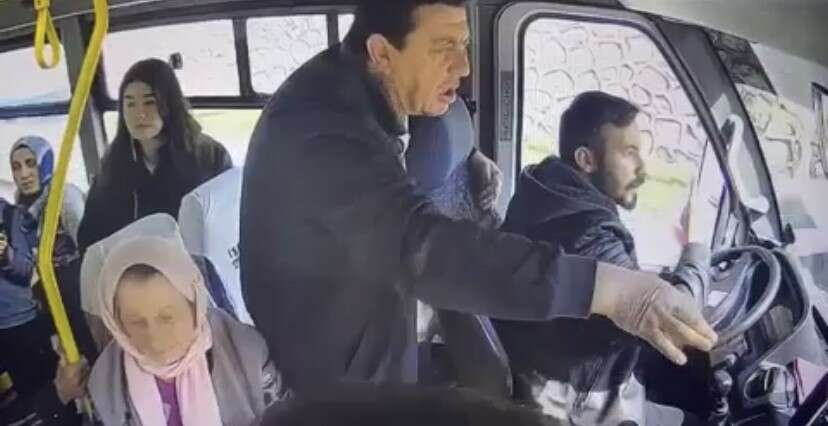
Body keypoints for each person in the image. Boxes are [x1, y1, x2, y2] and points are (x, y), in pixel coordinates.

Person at [241, 0, 717, 395]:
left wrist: (467, 153)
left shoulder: (360, 83)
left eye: (464, 44)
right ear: (382, 52)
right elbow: (424, 250)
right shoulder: (320, 132)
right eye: (443, 48)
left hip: (370, 324)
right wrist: (610, 289)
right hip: (335, 375)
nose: (465, 67)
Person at [493, 91, 708, 425]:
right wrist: (695, 246)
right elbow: (679, 320)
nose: (643, 169)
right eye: (629, 153)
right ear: (586, 160)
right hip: (578, 407)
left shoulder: (545, 191)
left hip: (554, 377)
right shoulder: (586, 234)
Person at [87, 213, 283, 426]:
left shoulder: (248, 354)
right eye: (136, 322)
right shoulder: (105, 386)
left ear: (195, 306)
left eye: (167, 317)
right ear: (117, 324)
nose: (155, 338)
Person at [76, 58, 232, 253]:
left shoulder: (210, 157)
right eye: (130, 104)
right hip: (133, 266)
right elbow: (91, 237)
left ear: (169, 104)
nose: (139, 114)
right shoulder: (113, 165)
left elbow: (228, 226)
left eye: (149, 102)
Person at [10, 135, 85, 263]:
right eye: (16, 167)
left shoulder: (65, 197)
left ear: (45, 163)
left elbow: (88, 247)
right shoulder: (21, 206)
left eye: (31, 164)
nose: (24, 174)